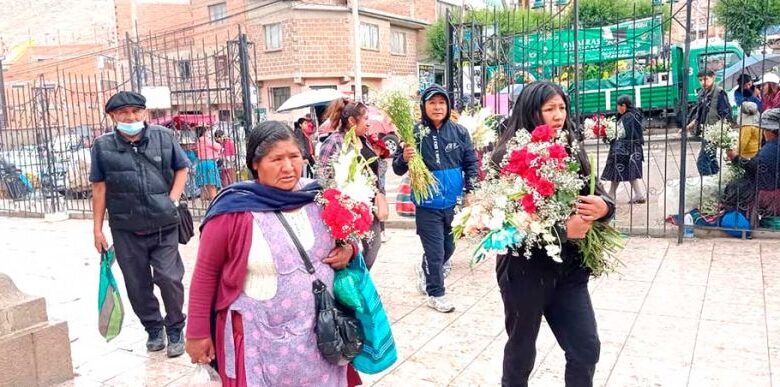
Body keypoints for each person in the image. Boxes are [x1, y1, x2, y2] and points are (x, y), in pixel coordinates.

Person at [184, 121, 361, 386]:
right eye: (276, 159)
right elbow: (206, 273)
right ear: (255, 164)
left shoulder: (319, 197)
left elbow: (351, 235)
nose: (288, 167)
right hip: (260, 337)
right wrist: (197, 333)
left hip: (321, 332)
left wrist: (349, 249)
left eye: (294, 157)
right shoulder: (233, 210)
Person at [489, 81, 615, 387]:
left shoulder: (572, 148)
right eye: (550, 109)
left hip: (569, 272)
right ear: (532, 112)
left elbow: (596, 194)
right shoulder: (507, 156)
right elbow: (505, 226)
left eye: (562, 107)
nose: (558, 115)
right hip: (524, 271)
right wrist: (562, 230)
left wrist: (605, 207)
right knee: (521, 355)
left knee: (586, 348)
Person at [89, 91, 190, 357]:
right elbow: (99, 188)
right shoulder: (102, 146)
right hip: (125, 228)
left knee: (169, 278)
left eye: (135, 112)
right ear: (113, 117)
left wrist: (172, 199)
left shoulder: (163, 137)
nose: (130, 117)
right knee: (137, 283)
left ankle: (176, 326)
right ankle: (153, 328)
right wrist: (97, 229)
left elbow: (182, 167)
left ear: (144, 113)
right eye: (123, 113)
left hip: (163, 224)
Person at [392, 84, 480, 313]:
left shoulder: (459, 132)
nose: (437, 107)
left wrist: (471, 190)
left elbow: (471, 162)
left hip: (452, 203)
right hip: (427, 204)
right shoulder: (412, 132)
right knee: (436, 252)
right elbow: (397, 169)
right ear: (424, 106)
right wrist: (403, 157)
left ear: (448, 106)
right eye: (432, 103)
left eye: (442, 102)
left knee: (449, 248)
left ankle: (427, 268)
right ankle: (436, 293)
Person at [318, 99, 388, 269]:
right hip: (347, 209)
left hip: (369, 207)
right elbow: (321, 176)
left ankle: (360, 281)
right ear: (351, 121)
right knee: (351, 250)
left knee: (373, 247)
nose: (368, 124)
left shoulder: (364, 140)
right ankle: (350, 286)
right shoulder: (334, 141)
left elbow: (374, 169)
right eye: (365, 119)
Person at [724, 108, 780, 218]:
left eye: (764, 129)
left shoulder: (771, 148)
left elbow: (756, 167)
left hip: (768, 190)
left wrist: (736, 158)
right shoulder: (773, 146)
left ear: (771, 131)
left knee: (735, 186)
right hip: (772, 184)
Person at [601, 95, 646, 203]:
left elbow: (622, 134)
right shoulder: (635, 114)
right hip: (634, 149)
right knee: (629, 171)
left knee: (617, 170)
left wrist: (610, 135)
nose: (617, 109)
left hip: (625, 149)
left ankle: (611, 195)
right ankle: (638, 195)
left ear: (623, 106)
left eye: (618, 106)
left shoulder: (627, 117)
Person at [688, 69, 732, 176]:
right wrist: (691, 125)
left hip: (713, 132)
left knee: (702, 162)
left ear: (713, 78)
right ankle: (716, 181)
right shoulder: (703, 93)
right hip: (705, 130)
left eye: (706, 79)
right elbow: (701, 112)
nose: (703, 82)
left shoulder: (719, 93)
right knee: (711, 160)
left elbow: (725, 114)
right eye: (700, 80)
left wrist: (720, 130)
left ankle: (707, 184)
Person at [195, 126, 223, 201]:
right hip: (209, 163)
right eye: (207, 130)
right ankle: (214, 200)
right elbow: (218, 147)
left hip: (201, 163)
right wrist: (219, 142)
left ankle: (205, 199)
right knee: (212, 184)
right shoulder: (206, 140)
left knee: (205, 184)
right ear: (204, 132)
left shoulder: (198, 140)